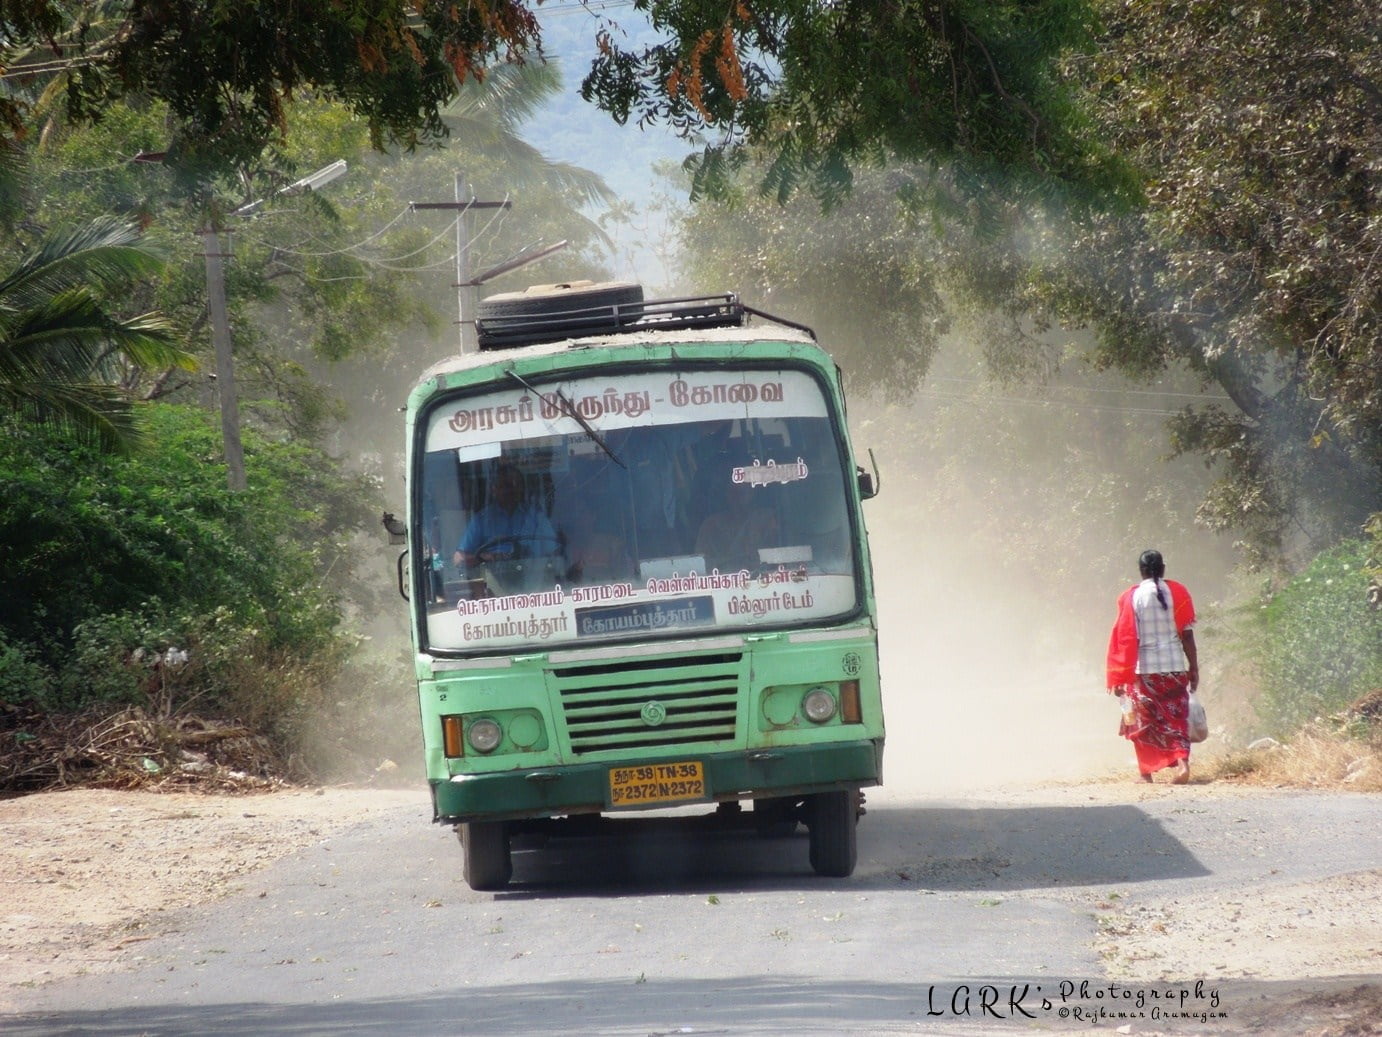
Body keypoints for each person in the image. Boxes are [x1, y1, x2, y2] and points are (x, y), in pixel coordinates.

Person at [1106, 549, 1200, 783]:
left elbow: (1127, 639)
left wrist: (1120, 676)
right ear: (1163, 568)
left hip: (1145, 671)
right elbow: (1187, 636)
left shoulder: (1132, 597)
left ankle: (1146, 774)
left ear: (1141, 571)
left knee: (1142, 720)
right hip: (1175, 668)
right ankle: (1182, 764)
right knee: (1176, 718)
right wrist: (1194, 667)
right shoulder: (1178, 593)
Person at [453, 463, 559, 568]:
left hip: (534, 578)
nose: (510, 490)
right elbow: (458, 559)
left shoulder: (536, 517)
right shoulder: (481, 520)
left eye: (515, 485)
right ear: (494, 489)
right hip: (493, 580)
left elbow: (555, 551)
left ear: (521, 488)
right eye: (505, 485)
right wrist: (485, 557)